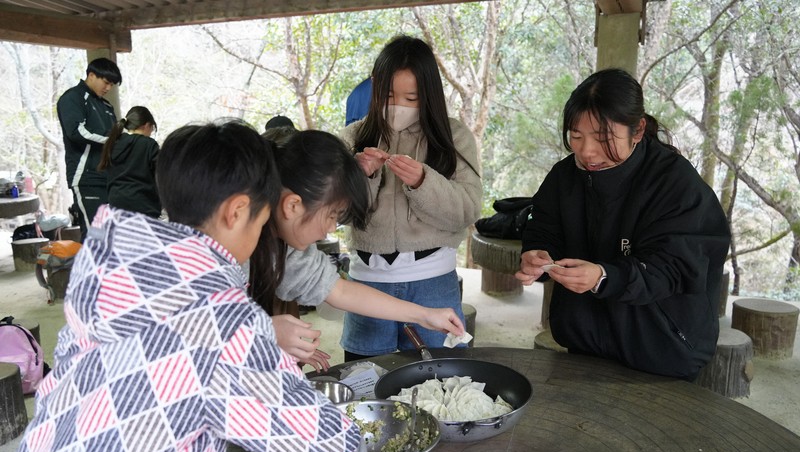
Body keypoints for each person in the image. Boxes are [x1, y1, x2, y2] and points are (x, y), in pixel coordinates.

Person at [0, 120, 364, 452]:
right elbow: (300, 430)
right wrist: (353, 448)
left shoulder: (110, 274)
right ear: (237, 212)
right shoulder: (219, 317)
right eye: (262, 223)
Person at [515, 68, 731, 380]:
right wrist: (537, 254)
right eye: (576, 136)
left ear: (638, 129)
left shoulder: (675, 183)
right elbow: (544, 227)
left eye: (603, 138)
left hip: (661, 349)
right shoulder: (564, 177)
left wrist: (604, 277)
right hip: (586, 343)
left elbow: (673, 268)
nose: (588, 151)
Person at [249, 128, 466, 371]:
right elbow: (201, 322)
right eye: (331, 215)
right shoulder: (227, 248)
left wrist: (425, 315)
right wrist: (264, 332)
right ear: (292, 205)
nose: (331, 228)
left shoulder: (286, 249)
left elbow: (338, 291)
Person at [339, 35, 482, 361]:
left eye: (411, 98)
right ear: (374, 86)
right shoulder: (352, 137)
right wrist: (363, 176)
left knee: (440, 382)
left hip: (432, 281)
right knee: (364, 382)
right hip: (367, 281)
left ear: (429, 94)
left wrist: (422, 181)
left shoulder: (453, 136)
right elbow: (338, 214)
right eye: (389, 95)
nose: (398, 106)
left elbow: (468, 209)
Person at [57, 57, 122, 241]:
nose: (108, 88)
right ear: (91, 75)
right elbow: (77, 132)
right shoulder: (73, 98)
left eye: (112, 85)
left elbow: (115, 138)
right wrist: (115, 139)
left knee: (112, 234)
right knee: (95, 234)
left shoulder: (106, 106)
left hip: (108, 179)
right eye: (106, 82)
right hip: (86, 177)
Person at [97, 105, 161, 218]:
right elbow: (161, 173)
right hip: (143, 205)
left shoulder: (112, 143)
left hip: (116, 205)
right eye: (152, 128)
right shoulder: (148, 144)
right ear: (147, 125)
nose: (151, 132)